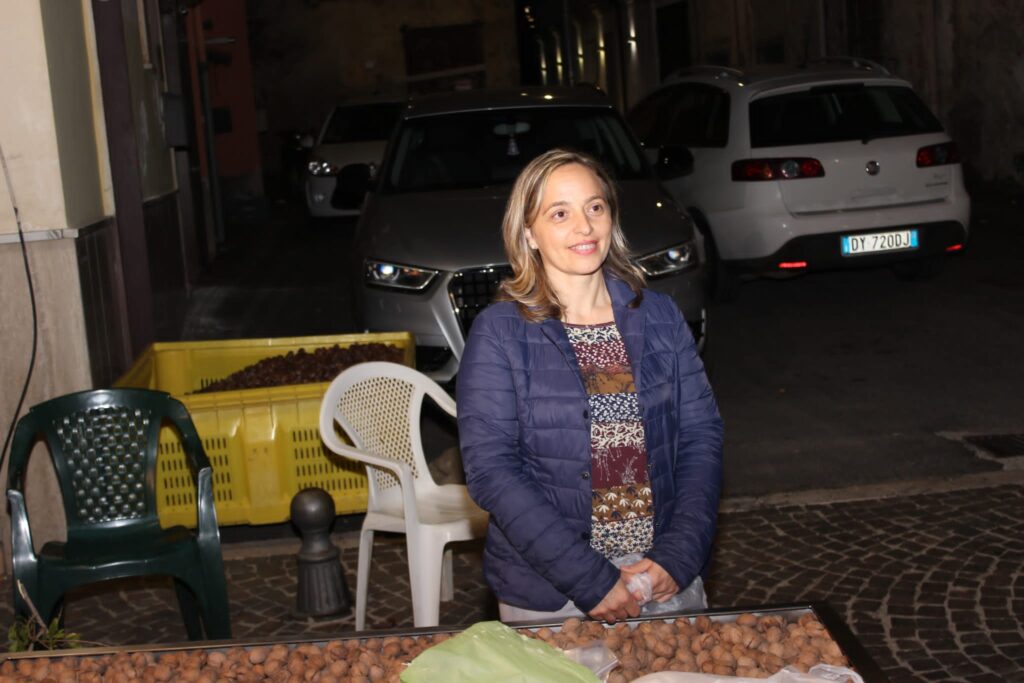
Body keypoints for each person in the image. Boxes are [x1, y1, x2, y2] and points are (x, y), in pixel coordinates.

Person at [457, 148, 724, 624]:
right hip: (554, 590)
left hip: (661, 578)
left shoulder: (658, 316)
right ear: (528, 234)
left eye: (595, 207)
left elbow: (701, 437)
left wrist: (678, 557)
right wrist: (591, 580)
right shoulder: (500, 332)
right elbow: (492, 470)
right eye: (559, 214)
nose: (584, 227)